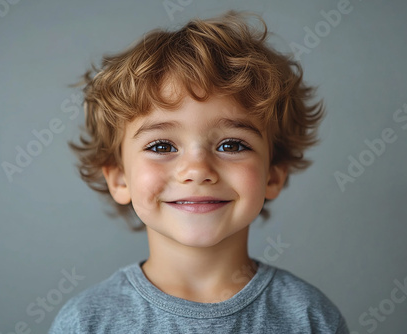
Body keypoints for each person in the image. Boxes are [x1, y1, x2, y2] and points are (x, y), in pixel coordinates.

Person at [49, 10, 349, 333]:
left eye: (232, 145)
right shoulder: (85, 323)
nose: (197, 170)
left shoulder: (310, 318)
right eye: (162, 146)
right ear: (120, 179)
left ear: (273, 175)